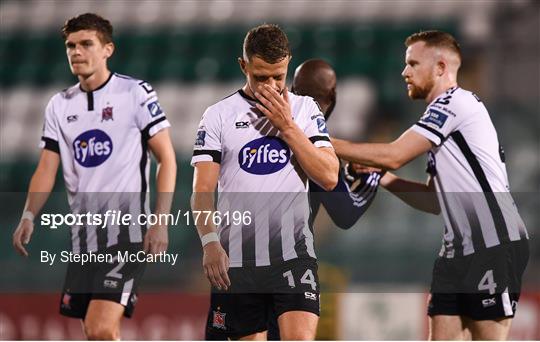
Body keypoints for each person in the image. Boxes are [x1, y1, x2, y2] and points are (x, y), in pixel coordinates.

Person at [332, 30, 529, 340]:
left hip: (492, 242)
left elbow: (395, 154)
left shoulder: (454, 104)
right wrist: (383, 177)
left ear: (440, 67)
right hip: (456, 249)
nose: (404, 72)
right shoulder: (443, 117)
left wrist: (318, 143)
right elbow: (433, 201)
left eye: (412, 63)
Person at [11, 13, 177, 340]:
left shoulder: (135, 93)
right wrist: (28, 214)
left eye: (86, 44)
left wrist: (160, 221)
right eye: (71, 45)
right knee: (92, 330)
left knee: (101, 327)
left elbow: (167, 159)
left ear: (107, 50)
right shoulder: (59, 104)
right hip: (83, 236)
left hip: (127, 232)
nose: (76, 52)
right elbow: (47, 167)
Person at [191, 24, 339, 340]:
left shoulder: (304, 109)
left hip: (294, 254)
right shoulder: (218, 115)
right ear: (243, 65)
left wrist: (287, 127)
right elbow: (202, 191)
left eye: (279, 77)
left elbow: (328, 175)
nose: (270, 86)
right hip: (239, 260)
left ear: (287, 65)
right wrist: (209, 242)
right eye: (260, 77)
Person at [266, 58, 382, 340]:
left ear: (291, 89)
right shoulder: (315, 150)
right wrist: (371, 178)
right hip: (288, 267)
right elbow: (345, 213)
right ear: (333, 97)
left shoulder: (256, 129)